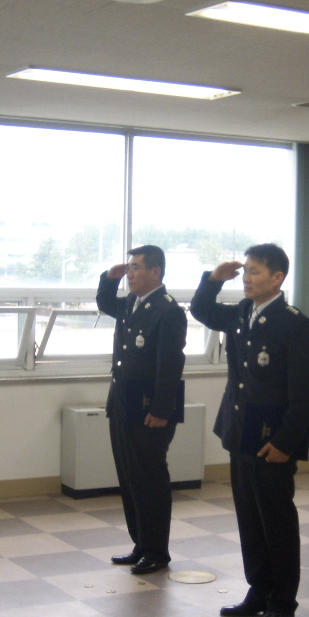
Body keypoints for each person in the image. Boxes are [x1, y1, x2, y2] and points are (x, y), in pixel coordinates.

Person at [190, 244, 309, 617]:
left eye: (255, 271)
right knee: (249, 517)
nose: (246, 278)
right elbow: (201, 310)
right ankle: (259, 590)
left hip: (271, 437)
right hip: (240, 429)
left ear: (278, 278)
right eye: (245, 271)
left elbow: (303, 391)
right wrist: (214, 279)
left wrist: (286, 442)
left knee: (276, 521)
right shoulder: (242, 313)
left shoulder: (293, 323)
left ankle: (282, 602)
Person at [96, 245, 186, 575]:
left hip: (151, 406)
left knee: (150, 479)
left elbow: (170, 365)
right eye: (129, 267)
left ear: (155, 272)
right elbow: (105, 303)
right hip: (123, 400)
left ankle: (157, 551)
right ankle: (141, 543)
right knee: (129, 477)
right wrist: (109, 279)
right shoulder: (131, 303)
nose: (130, 273)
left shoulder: (168, 310)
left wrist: (162, 410)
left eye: (136, 268)